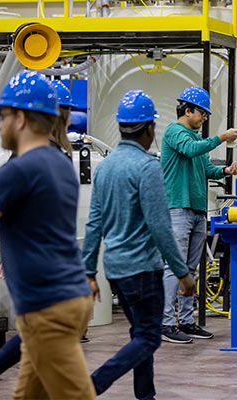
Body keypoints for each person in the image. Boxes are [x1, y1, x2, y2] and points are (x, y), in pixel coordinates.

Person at [0, 70, 95, 398]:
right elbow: (25, 221)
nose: (0, 125)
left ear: (22, 118)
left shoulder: (19, 169)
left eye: (4, 115)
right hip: (68, 298)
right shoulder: (60, 163)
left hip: (48, 306)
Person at [82, 90, 195, 399]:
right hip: (143, 270)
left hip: (115, 271)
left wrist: (89, 271)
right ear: (148, 129)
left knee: (139, 333)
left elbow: (94, 223)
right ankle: (88, 387)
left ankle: (145, 395)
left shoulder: (105, 168)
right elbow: (161, 228)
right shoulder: (147, 168)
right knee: (148, 338)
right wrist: (183, 273)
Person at [160, 86, 237, 343]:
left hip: (196, 211)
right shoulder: (175, 132)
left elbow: (206, 168)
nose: (205, 118)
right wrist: (221, 137)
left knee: (189, 270)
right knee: (174, 268)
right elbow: (189, 151)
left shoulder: (195, 138)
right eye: (202, 113)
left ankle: (185, 321)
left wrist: (225, 171)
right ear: (188, 110)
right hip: (177, 208)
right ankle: (164, 323)